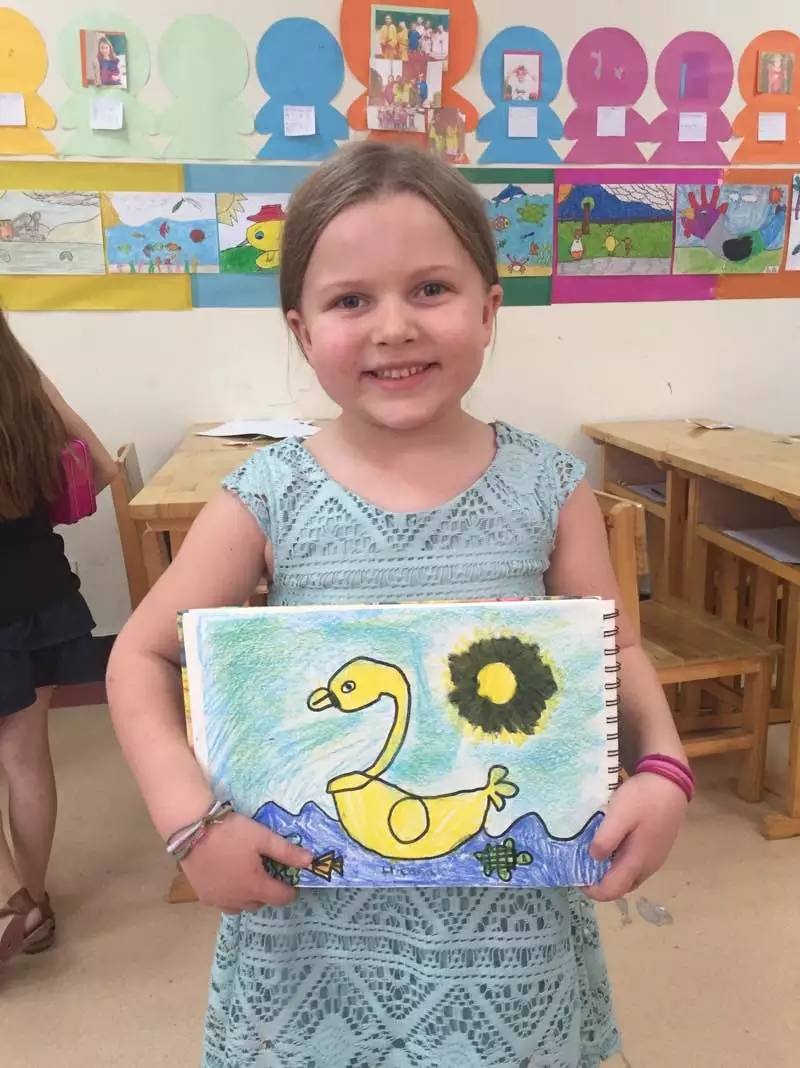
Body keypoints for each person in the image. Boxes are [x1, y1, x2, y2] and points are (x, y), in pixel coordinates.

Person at [106, 142, 690, 1067]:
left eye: (430, 289)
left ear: (488, 310)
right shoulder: (269, 496)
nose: (394, 328)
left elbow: (613, 648)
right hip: (316, 932)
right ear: (302, 331)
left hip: (506, 929)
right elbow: (138, 654)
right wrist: (190, 822)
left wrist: (664, 767)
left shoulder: (549, 487)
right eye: (350, 301)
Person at [0, 311, 117, 964]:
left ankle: (9, 904)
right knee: (26, 759)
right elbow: (100, 468)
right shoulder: (22, 380)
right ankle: (35, 905)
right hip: (41, 593)